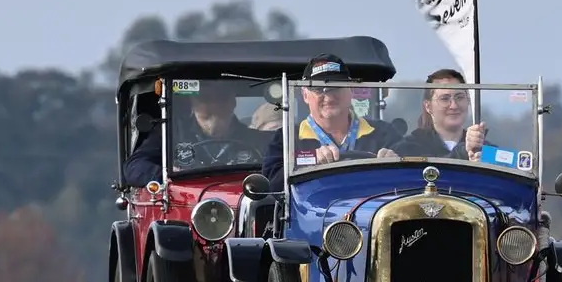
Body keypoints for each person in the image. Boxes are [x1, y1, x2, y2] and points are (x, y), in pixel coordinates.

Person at [260, 54, 402, 183]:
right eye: (318, 88)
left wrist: (396, 164)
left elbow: (412, 178)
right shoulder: (286, 138)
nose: (328, 96)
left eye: (335, 86)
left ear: (351, 89)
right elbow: (271, 185)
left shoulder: (384, 133)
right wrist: (310, 162)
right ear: (305, 95)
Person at [121, 80, 272, 187]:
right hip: (184, 215)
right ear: (192, 103)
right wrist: (169, 176)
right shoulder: (169, 134)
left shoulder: (258, 140)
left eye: (221, 98)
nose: (214, 106)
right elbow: (134, 167)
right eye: (205, 99)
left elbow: (281, 166)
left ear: (232, 102)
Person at [392, 69, 487, 160]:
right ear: (428, 106)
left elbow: (501, 167)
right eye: (444, 99)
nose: (453, 106)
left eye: (459, 97)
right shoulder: (405, 150)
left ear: (469, 101)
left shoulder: (484, 149)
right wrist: (463, 152)